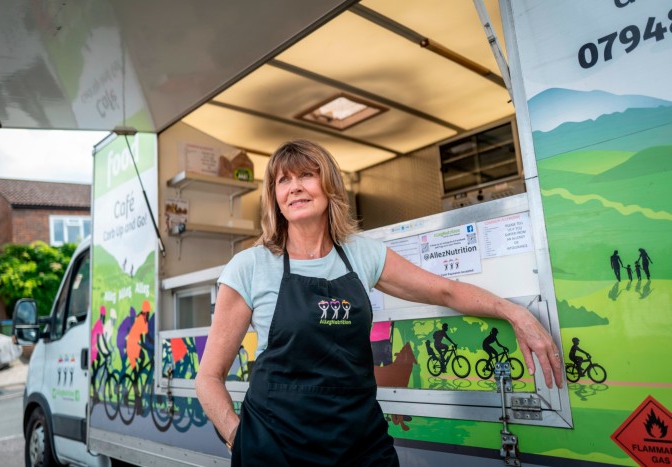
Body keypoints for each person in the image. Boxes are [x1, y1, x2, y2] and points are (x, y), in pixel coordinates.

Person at [195, 139, 562, 467]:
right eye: (283, 180)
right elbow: (209, 378)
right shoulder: (251, 265)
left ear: (329, 185)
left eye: (306, 175)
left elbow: (443, 291)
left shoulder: (362, 255)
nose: (295, 188)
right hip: (275, 446)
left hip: (359, 443)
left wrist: (513, 311)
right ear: (274, 196)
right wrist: (238, 437)